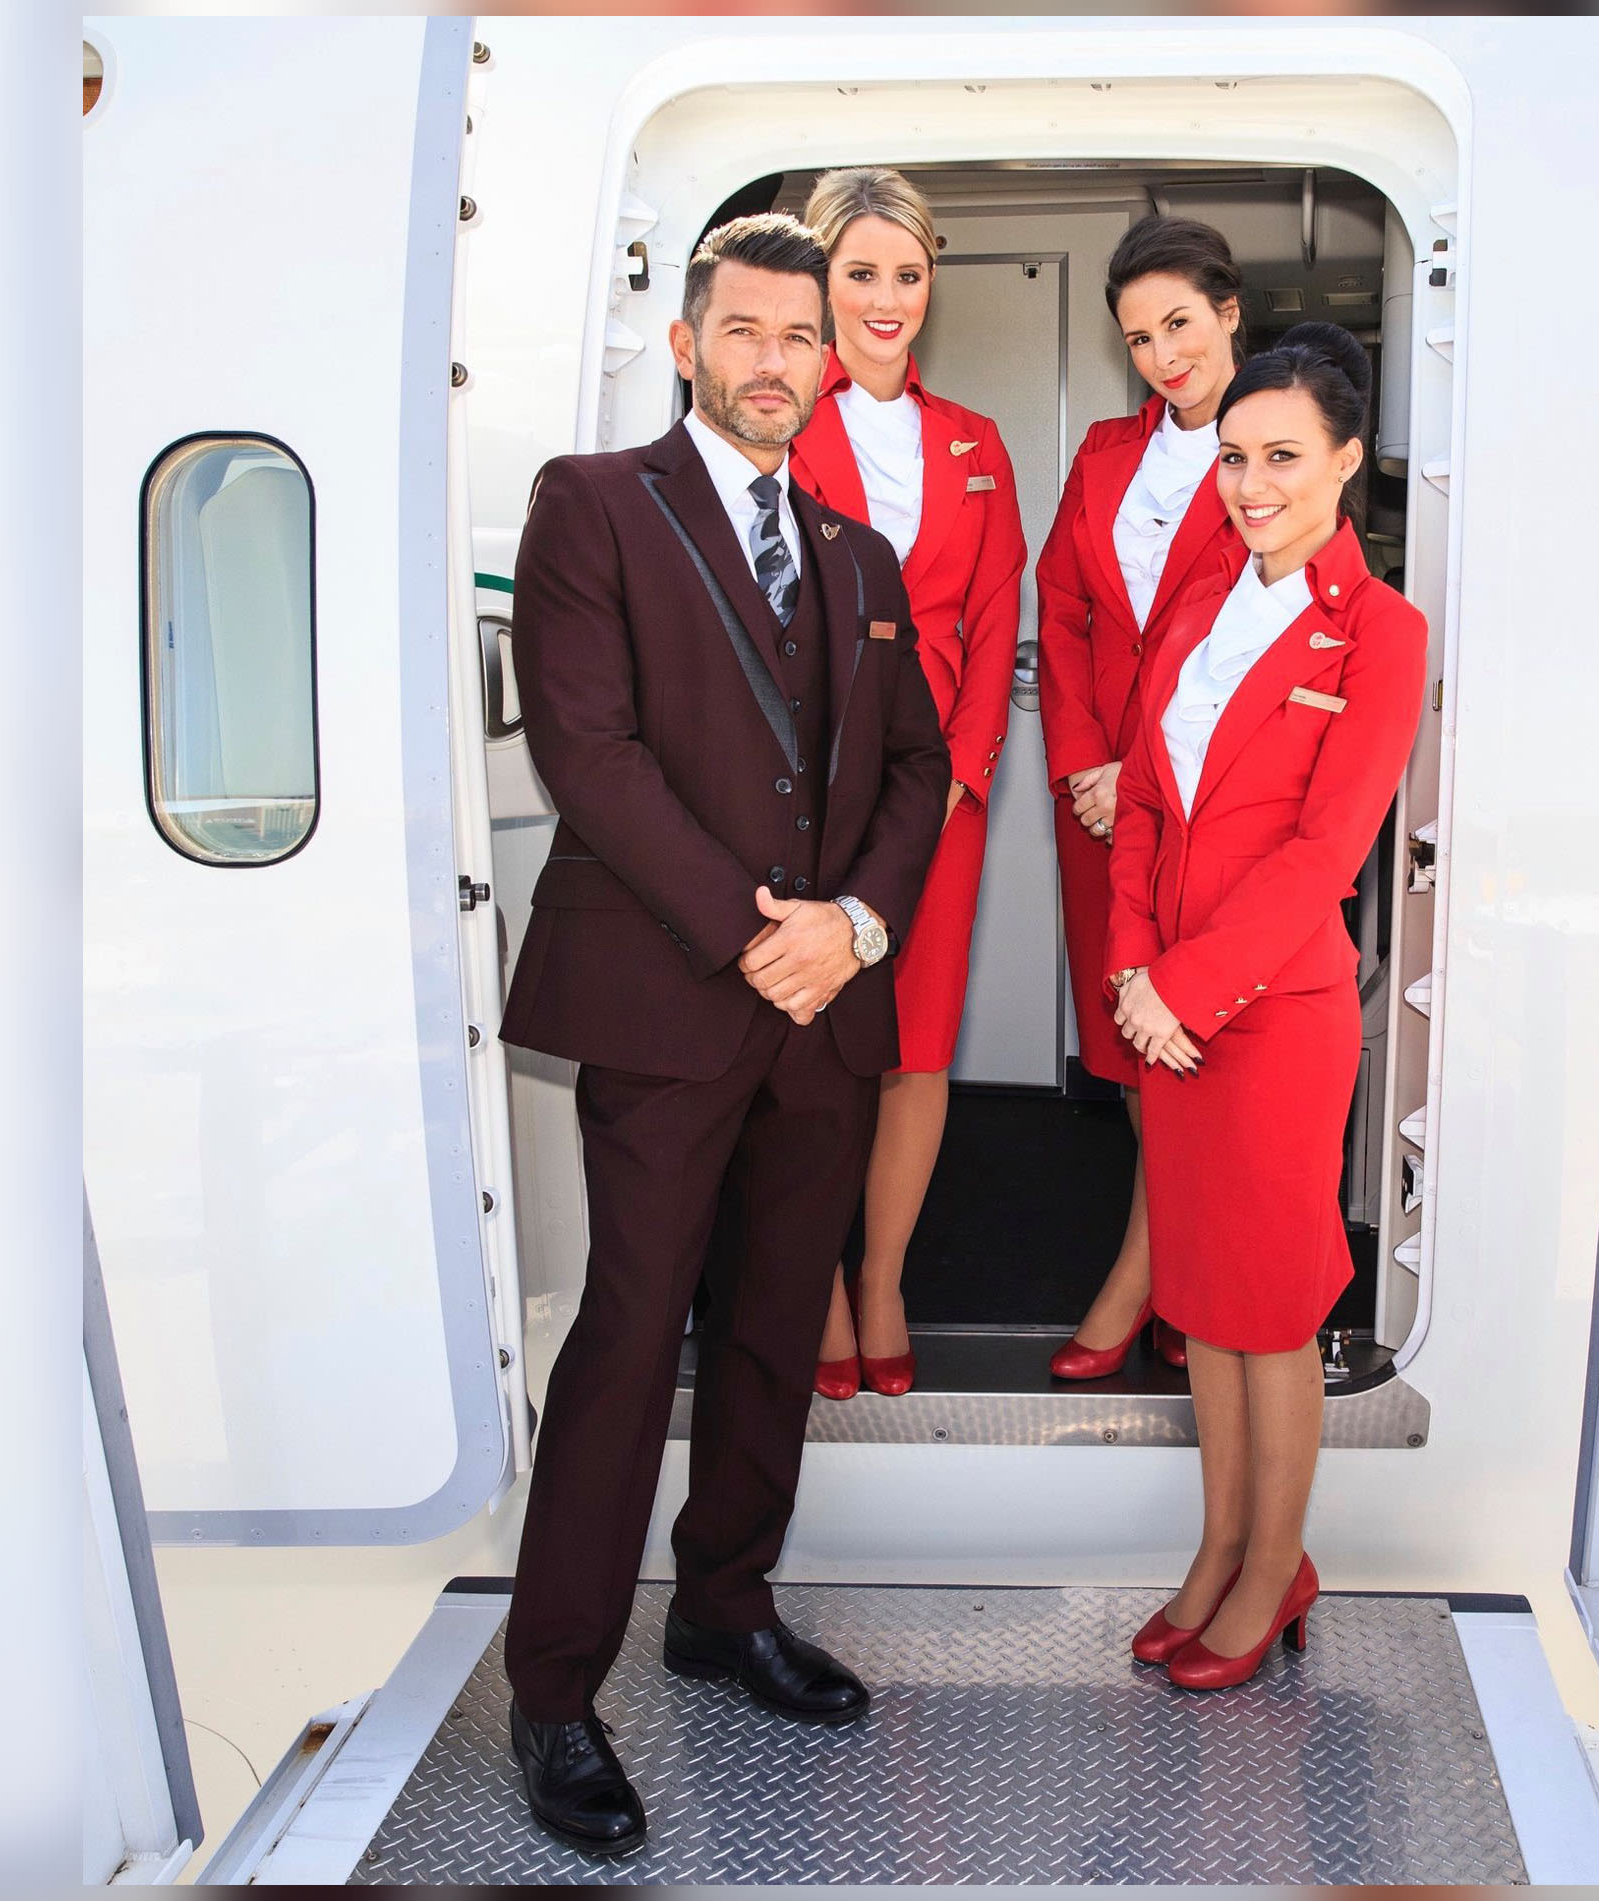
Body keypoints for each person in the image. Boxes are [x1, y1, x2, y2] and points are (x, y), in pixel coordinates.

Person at [494, 212, 951, 1854]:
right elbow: (589, 748)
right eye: (744, 331)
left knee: (774, 1329)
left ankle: (724, 1608)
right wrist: (762, 928)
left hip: (820, 1013)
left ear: (831, 362)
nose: (775, 361)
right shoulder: (592, 506)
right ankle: (553, 1692)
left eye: (800, 336)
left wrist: (857, 929)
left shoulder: (857, 557)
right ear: (688, 344)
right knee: (630, 1337)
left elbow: (920, 771)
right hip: (672, 1001)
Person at [1103, 322, 1426, 1690]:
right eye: (1234, 457)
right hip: (1164, 1012)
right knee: (1203, 1300)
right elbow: (1138, 808)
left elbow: (1324, 852)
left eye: (1281, 456)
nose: (1250, 484)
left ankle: (1276, 1561)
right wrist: (1129, 974)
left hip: (1271, 1015)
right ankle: (1223, 1552)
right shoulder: (1196, 609)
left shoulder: (1381, 634)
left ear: (1346, 462)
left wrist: (1182, 987)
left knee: (1271, 1310)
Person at [784, 166, 1024, 1401]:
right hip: (810, 784)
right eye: (861, 273)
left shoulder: (976, 443)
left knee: (915, 1049)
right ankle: (814, 1287)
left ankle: (880, 1277)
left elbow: (994, 619)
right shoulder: (777, 419)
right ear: (821, 283)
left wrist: (966, 780)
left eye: (908, 275)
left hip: (939, 799)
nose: (887, 300)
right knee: (811, 1045)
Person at [1032, 215, 1249, 1381]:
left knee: (1203, 1037)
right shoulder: (1107, 457)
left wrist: (1145, 777)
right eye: (1137, 338)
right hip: (1099, 805)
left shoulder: (1275, 454)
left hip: (1206, 800)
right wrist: (1080, 762)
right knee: (1130, 1039)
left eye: (1179, 322)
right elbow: (1058, 604)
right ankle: (1177, 1268)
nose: (1164, 354)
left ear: (1228, 313)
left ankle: (1149, 1278)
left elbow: (1249, 646)